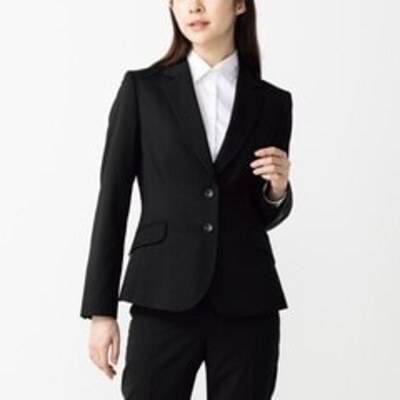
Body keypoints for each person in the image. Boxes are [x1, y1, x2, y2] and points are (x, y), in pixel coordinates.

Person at [80, 1, 294, 399]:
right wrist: (101, 310)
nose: (194, 6)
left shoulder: (273, 102)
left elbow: (256, 213)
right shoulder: (142, 90)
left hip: (248, 302)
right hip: (161, 295)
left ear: (240, 4)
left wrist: (277, 191)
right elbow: (112, 201)